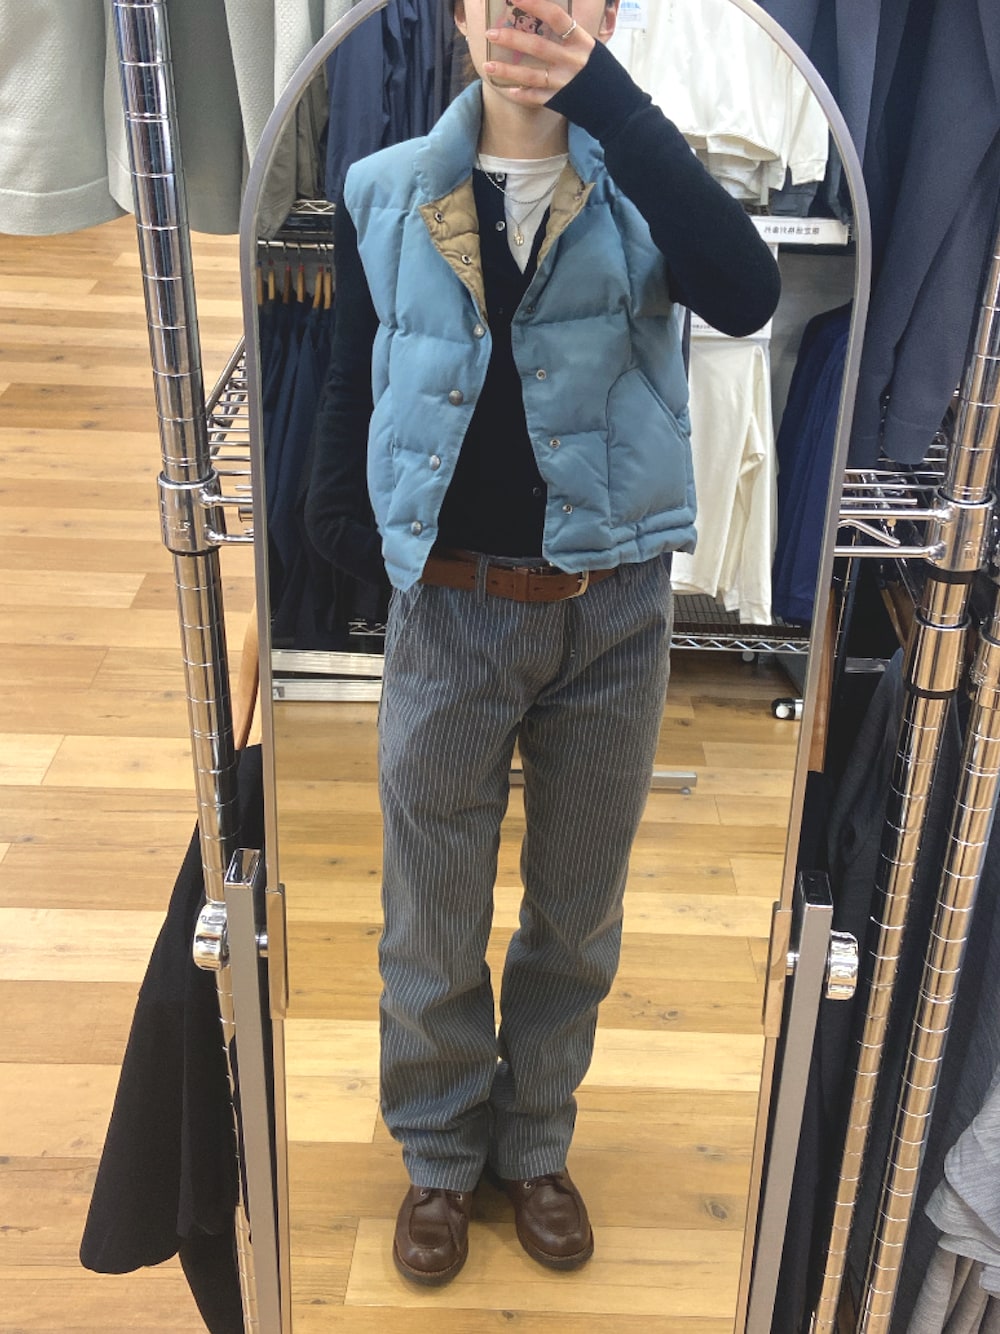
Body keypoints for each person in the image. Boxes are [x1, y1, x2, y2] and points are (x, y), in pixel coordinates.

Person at [305, 0, 780, 1288]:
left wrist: (607, 99)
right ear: (456, 13)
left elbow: (747, 296)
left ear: (609, 14)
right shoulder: (384, 188)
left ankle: (535, 1141)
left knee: (577, 911)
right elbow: (352, 375)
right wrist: (354, 545)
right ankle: (438, 1154)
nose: (527, 14)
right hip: (451, 608)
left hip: (611, 612)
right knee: (431, 912)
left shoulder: (648, 180)